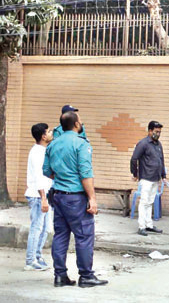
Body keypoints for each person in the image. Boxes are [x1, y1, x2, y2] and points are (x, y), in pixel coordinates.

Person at [43, 111, 107, 288]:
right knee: (84, 236)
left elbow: (47, 171)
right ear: (77, 125)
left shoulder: (52, 145)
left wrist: (63, 176)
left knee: (61, 236)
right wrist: (92, 198)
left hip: (58, 196)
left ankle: (60, 275)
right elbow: (85, 174)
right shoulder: (81, 144)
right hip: (76, 197)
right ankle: (86, 275)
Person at [24, 123, 53, 271]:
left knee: (46, 228)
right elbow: (38, 177)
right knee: (36, 228)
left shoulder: (43, 151)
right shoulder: (37, 152)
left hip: (44, 195)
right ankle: (30, 261)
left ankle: (37, 255)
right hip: (38, 196)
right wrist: (43, 198)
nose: (50, 133)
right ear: (43, 136)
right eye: (48, 132)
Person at [130, 121, 168, 236]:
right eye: (156, 131)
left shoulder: (158, 144)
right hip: (146, 177)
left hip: (155, 178)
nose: (158, 134)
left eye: (159, 132)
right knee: (144, 202)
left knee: (150, 202)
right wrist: (135, 174)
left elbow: (161, 160)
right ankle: (142, 226)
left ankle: (149, 225)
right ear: (150, 131)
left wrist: (163, 176)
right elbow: (134, 159)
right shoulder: (143, 143)